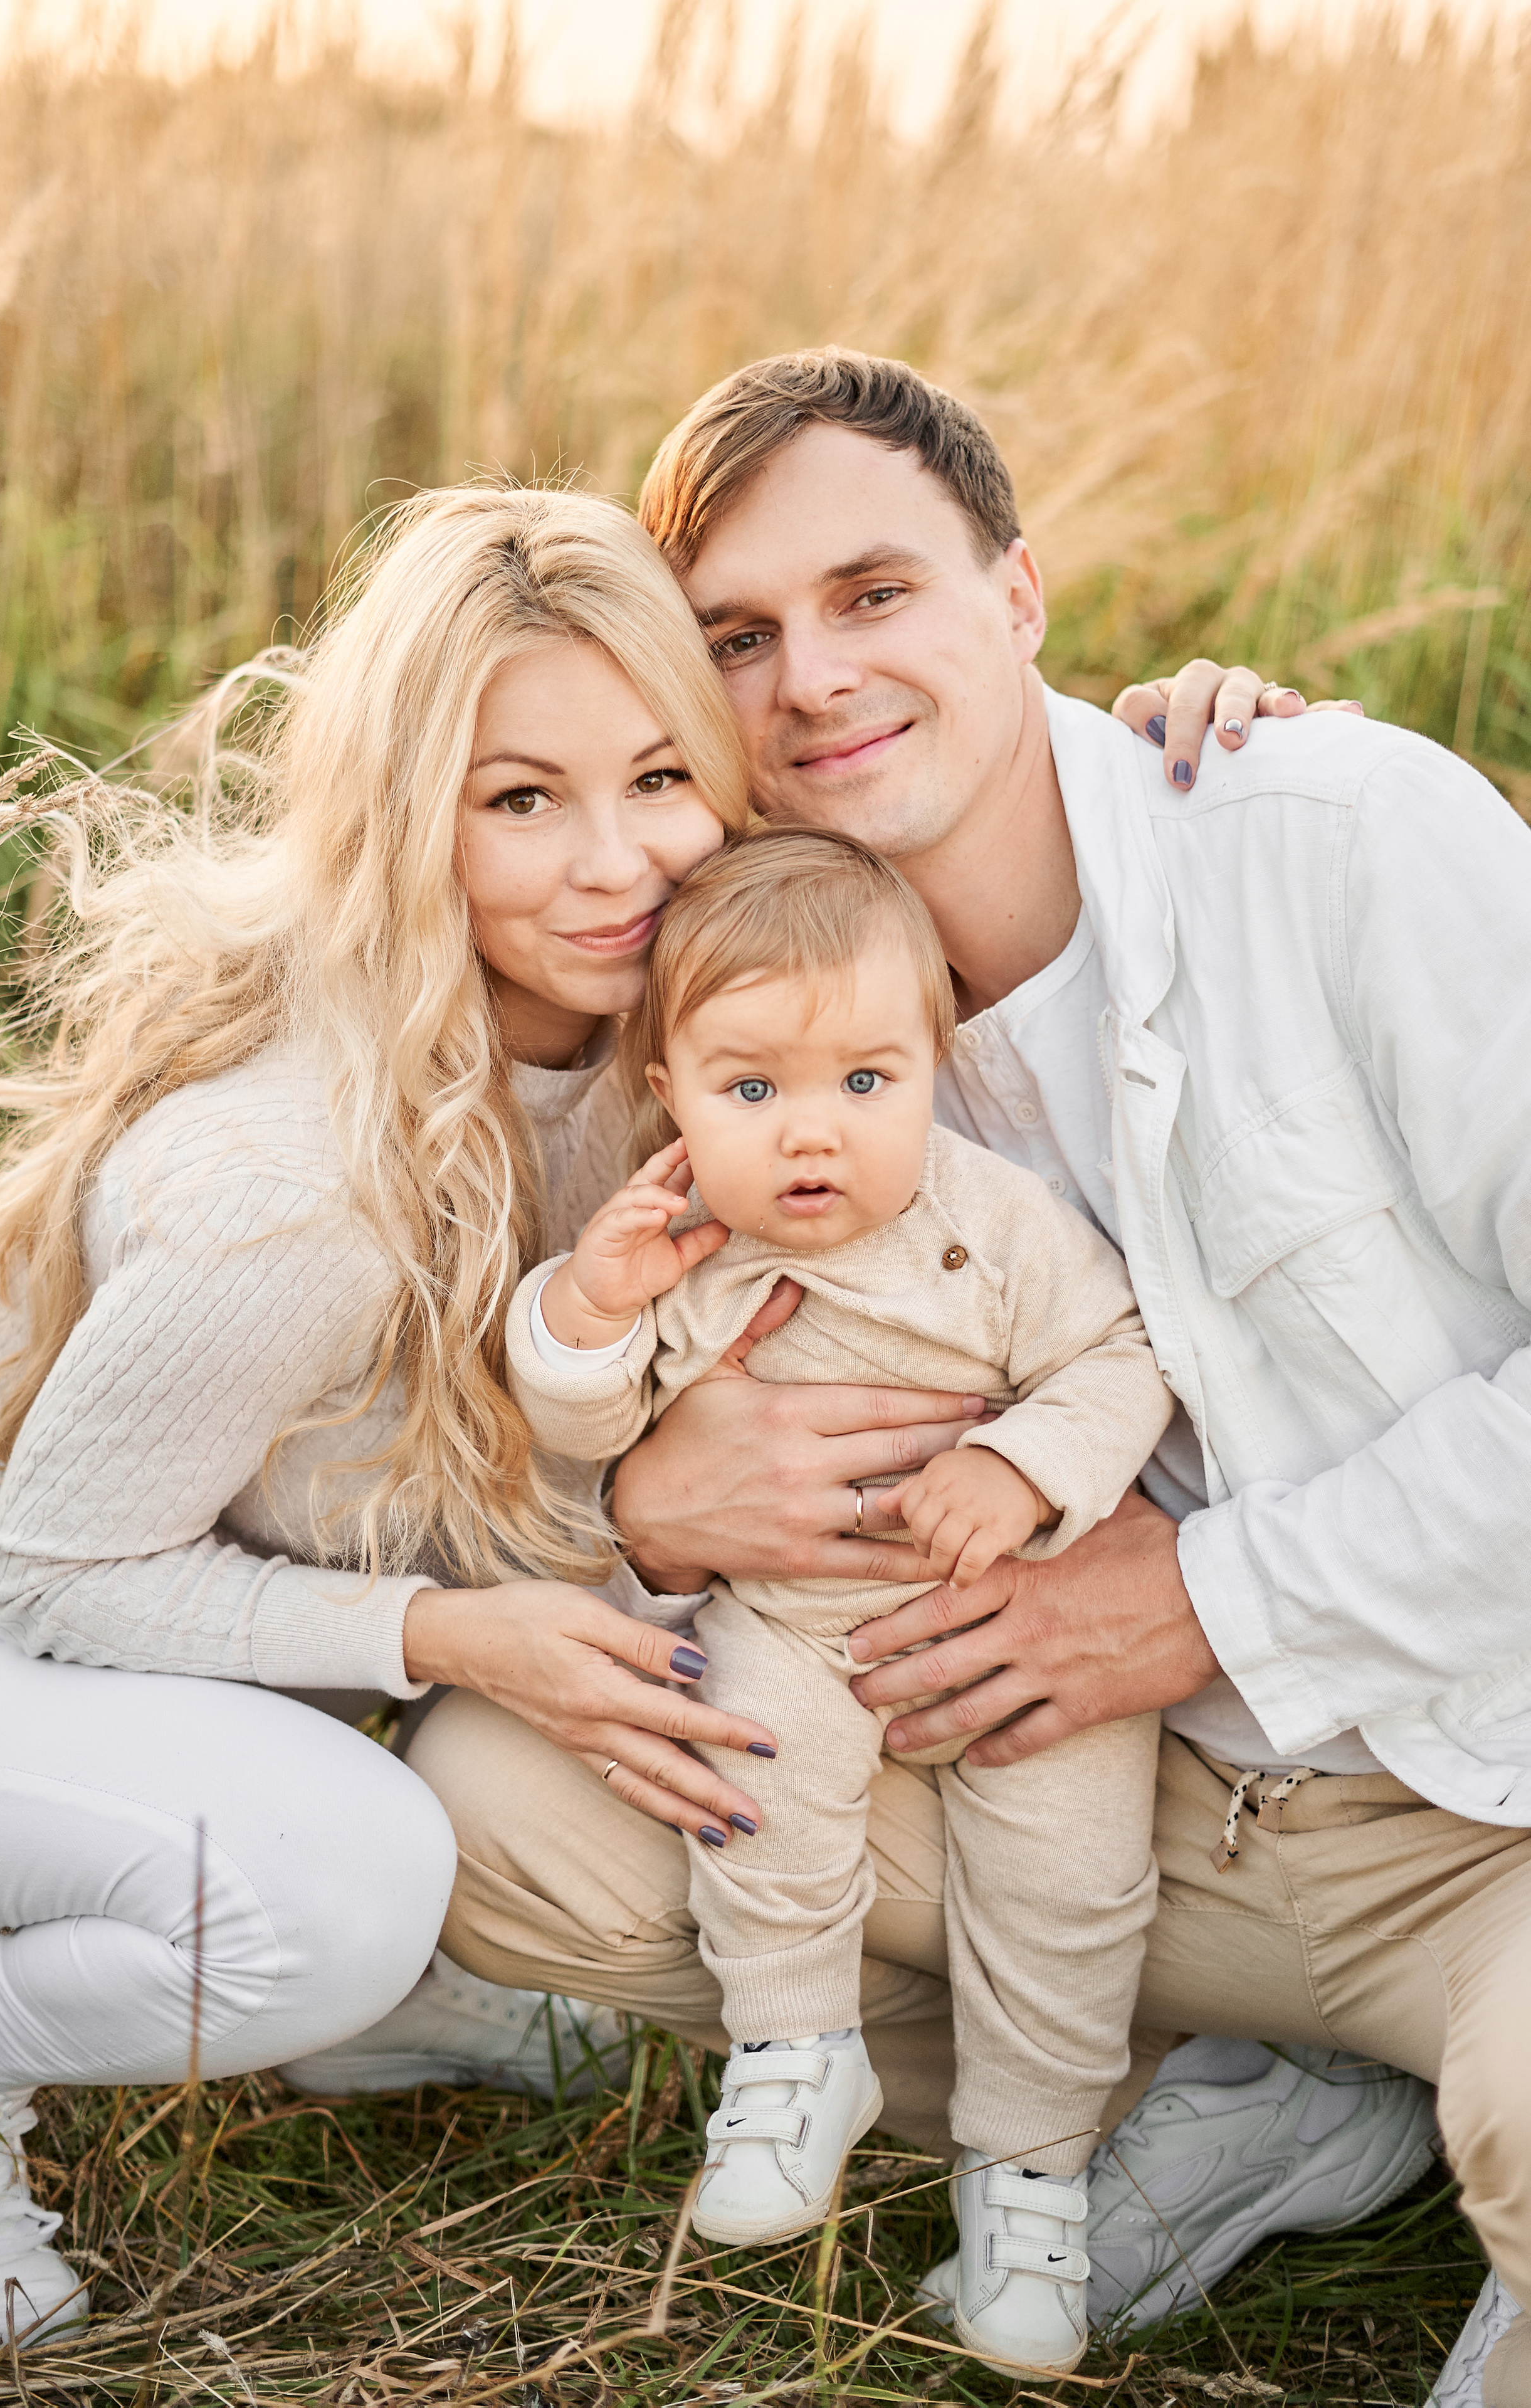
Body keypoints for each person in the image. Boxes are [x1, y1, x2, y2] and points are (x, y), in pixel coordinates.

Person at [416, 352, 1520, 2405]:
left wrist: (1204, 1596)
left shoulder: (1337, 841)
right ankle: (1203, 2086)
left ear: (1020, 593)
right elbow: (582, 1371)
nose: (813, 677)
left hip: (1485, 1798)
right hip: (1124, 1806)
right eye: (737, 638)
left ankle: (1407, 2085)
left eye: (874, 593)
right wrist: (643, 1502)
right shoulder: (758, 1004)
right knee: (503, 1807)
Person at [0, 484, 788, 2347]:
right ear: (410, 827)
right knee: (343, 1884)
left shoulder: (652, 1035)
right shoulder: (303, 1178)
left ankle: (381, 1999)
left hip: (92, 1674)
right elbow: (58, 1572)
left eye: (661, 775)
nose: (617, 862)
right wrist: (451, 1633)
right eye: (520, 801)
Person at [508, 826, 1172, 2376]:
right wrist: (583, 1312)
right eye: (752, 1091)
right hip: (789, 1623)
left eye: (865, 1082)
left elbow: (1118, 1358)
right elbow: (577, 1424)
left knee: (1067, 1895)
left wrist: (1018, 1469)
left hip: (1012, 1622)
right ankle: (797, 2050)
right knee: (755, 1777)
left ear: (934, 1064)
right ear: (666, 1091)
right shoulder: (668, 1239)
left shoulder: (991, 1218)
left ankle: (1028, 2181)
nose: (814, 1136)